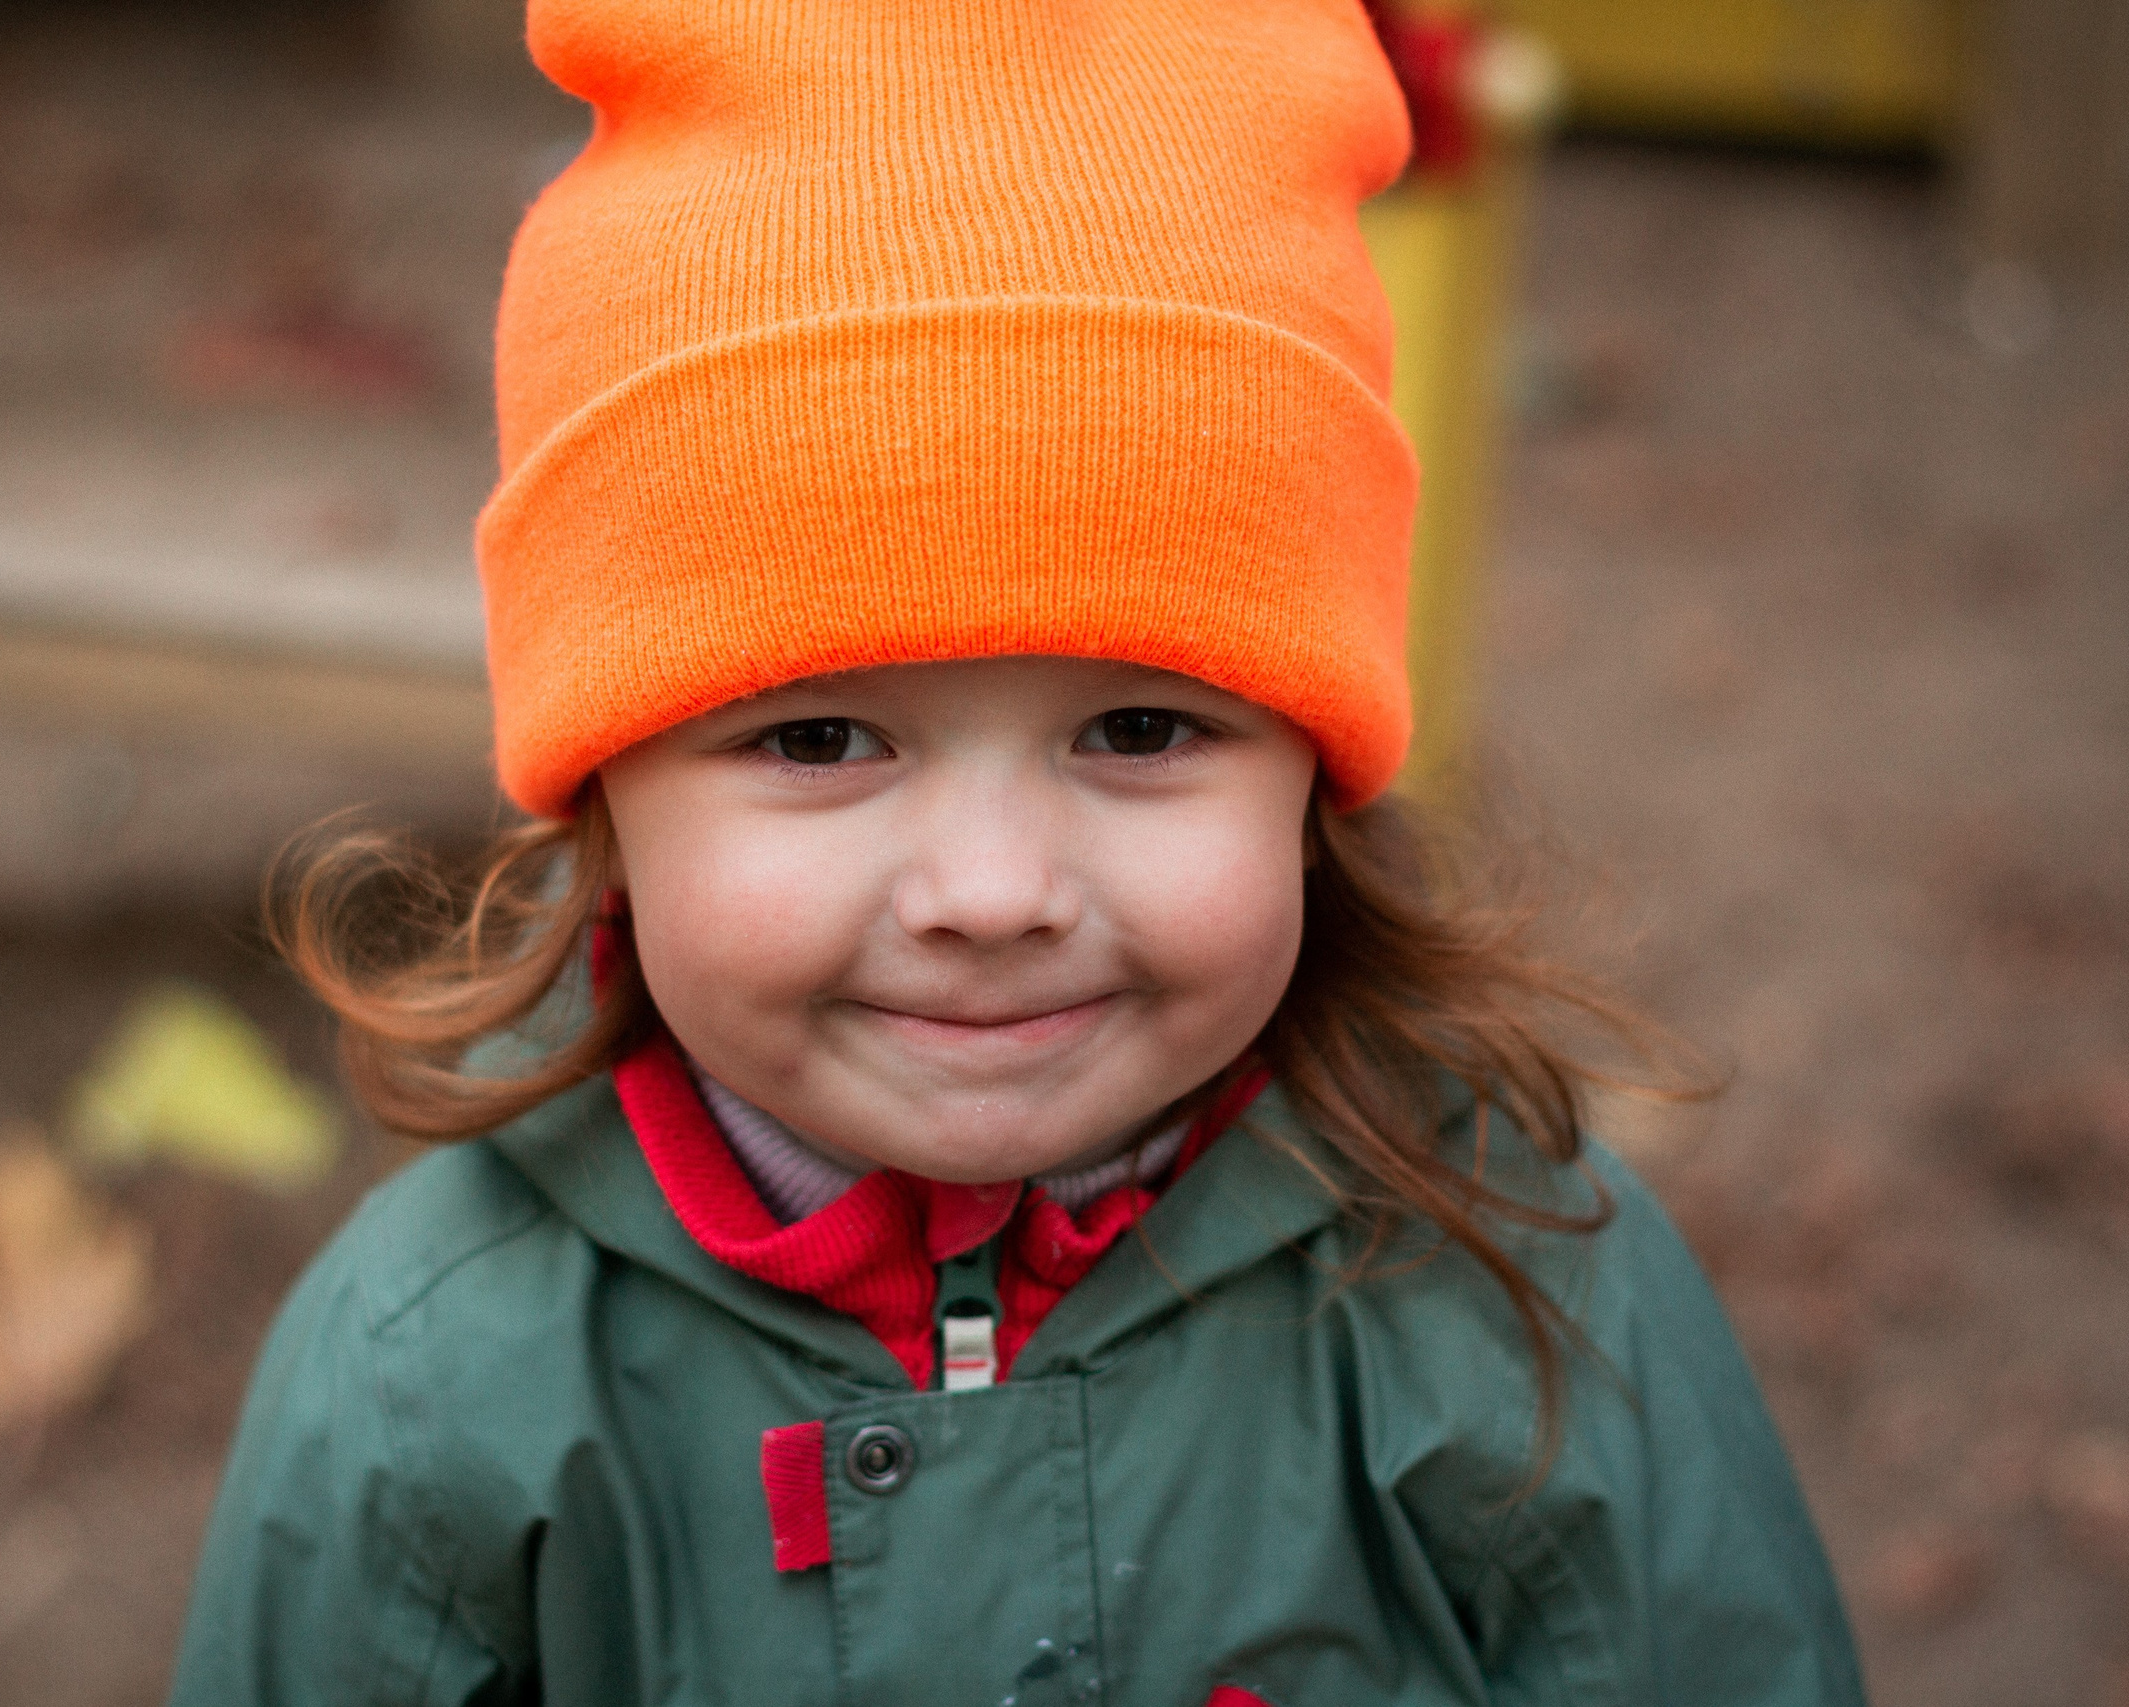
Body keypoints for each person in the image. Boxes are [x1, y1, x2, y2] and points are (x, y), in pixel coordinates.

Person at [169, 2, 1865, 1702]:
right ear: (603, 791)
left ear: (1315, 773)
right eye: (820, 739)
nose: (990, 896)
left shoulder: (1513, 1290)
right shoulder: (427, 1384)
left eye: (1139, 732)